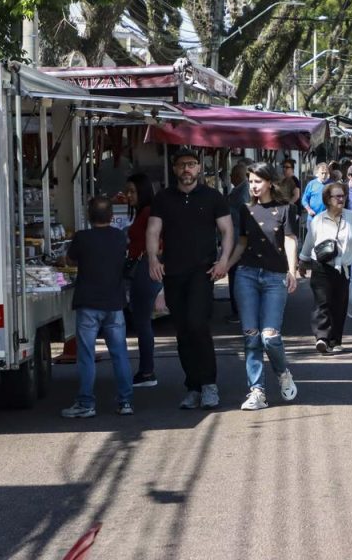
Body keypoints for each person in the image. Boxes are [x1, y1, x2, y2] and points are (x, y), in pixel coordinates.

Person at [147, 147, 233, 410]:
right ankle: (192, 387)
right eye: (182, 164)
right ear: (174, 169)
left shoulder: (213, 197)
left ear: (199, 168)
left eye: (192, 164)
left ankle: (209, 385)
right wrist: (152, 258)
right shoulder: (163, 198)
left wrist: (224, 260)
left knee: (198, 325)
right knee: (183, 331)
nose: (187, 169)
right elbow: (153, 230)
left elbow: (227, 230)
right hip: (173, 272)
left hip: (202, 271)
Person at [225, 162, 300, 411]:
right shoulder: (246, 210)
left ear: (270, 182)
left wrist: (292, 270)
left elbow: (290, 240)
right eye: (250, 181)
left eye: (258, 181)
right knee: (251, 337)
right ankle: (257, 391)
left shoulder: (285, 209)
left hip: (274, 277)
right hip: (246, 275)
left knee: (270, 337)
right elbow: (242, 243)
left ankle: (282, 372)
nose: (253, 186)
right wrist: (224, 266)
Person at [61, 196, 134, 418]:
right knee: (119, 353)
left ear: (88, 216)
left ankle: (86, 403)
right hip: (114, 303)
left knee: (86, 354)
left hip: (88, 303)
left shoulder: (82, 238)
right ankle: (125, 402)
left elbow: (70, 261)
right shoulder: (120, 237)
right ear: (112, 216)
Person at [299, 182, 352, 354]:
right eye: (337, 196)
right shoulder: (318, 219)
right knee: (322, 303)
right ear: (328, 199)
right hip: (321, 267)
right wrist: (302, 261)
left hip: (344, 268)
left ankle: (335, 340)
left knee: (339, 305)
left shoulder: (351, 217)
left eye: (343, 196)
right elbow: (309, 242)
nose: (341, 199)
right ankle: (322, 338)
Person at [124, 173, 162, 388]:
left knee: (142, 321)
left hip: (145, 269)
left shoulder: (149, 212)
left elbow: (159, 241)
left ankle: (147, 371)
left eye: (132, 191)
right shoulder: (145, 212)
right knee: (142, 321)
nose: (128, 196)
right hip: (145, 268)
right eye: (127, 191)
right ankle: (146, 370)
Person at [226, 161, 251, 323]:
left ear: (237, 176)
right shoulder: (241, 191)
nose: (229, 177)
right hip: (237, 238)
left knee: (236, 275)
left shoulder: (241, 192)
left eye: (232, 174)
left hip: (237, 239)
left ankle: (239, 311)